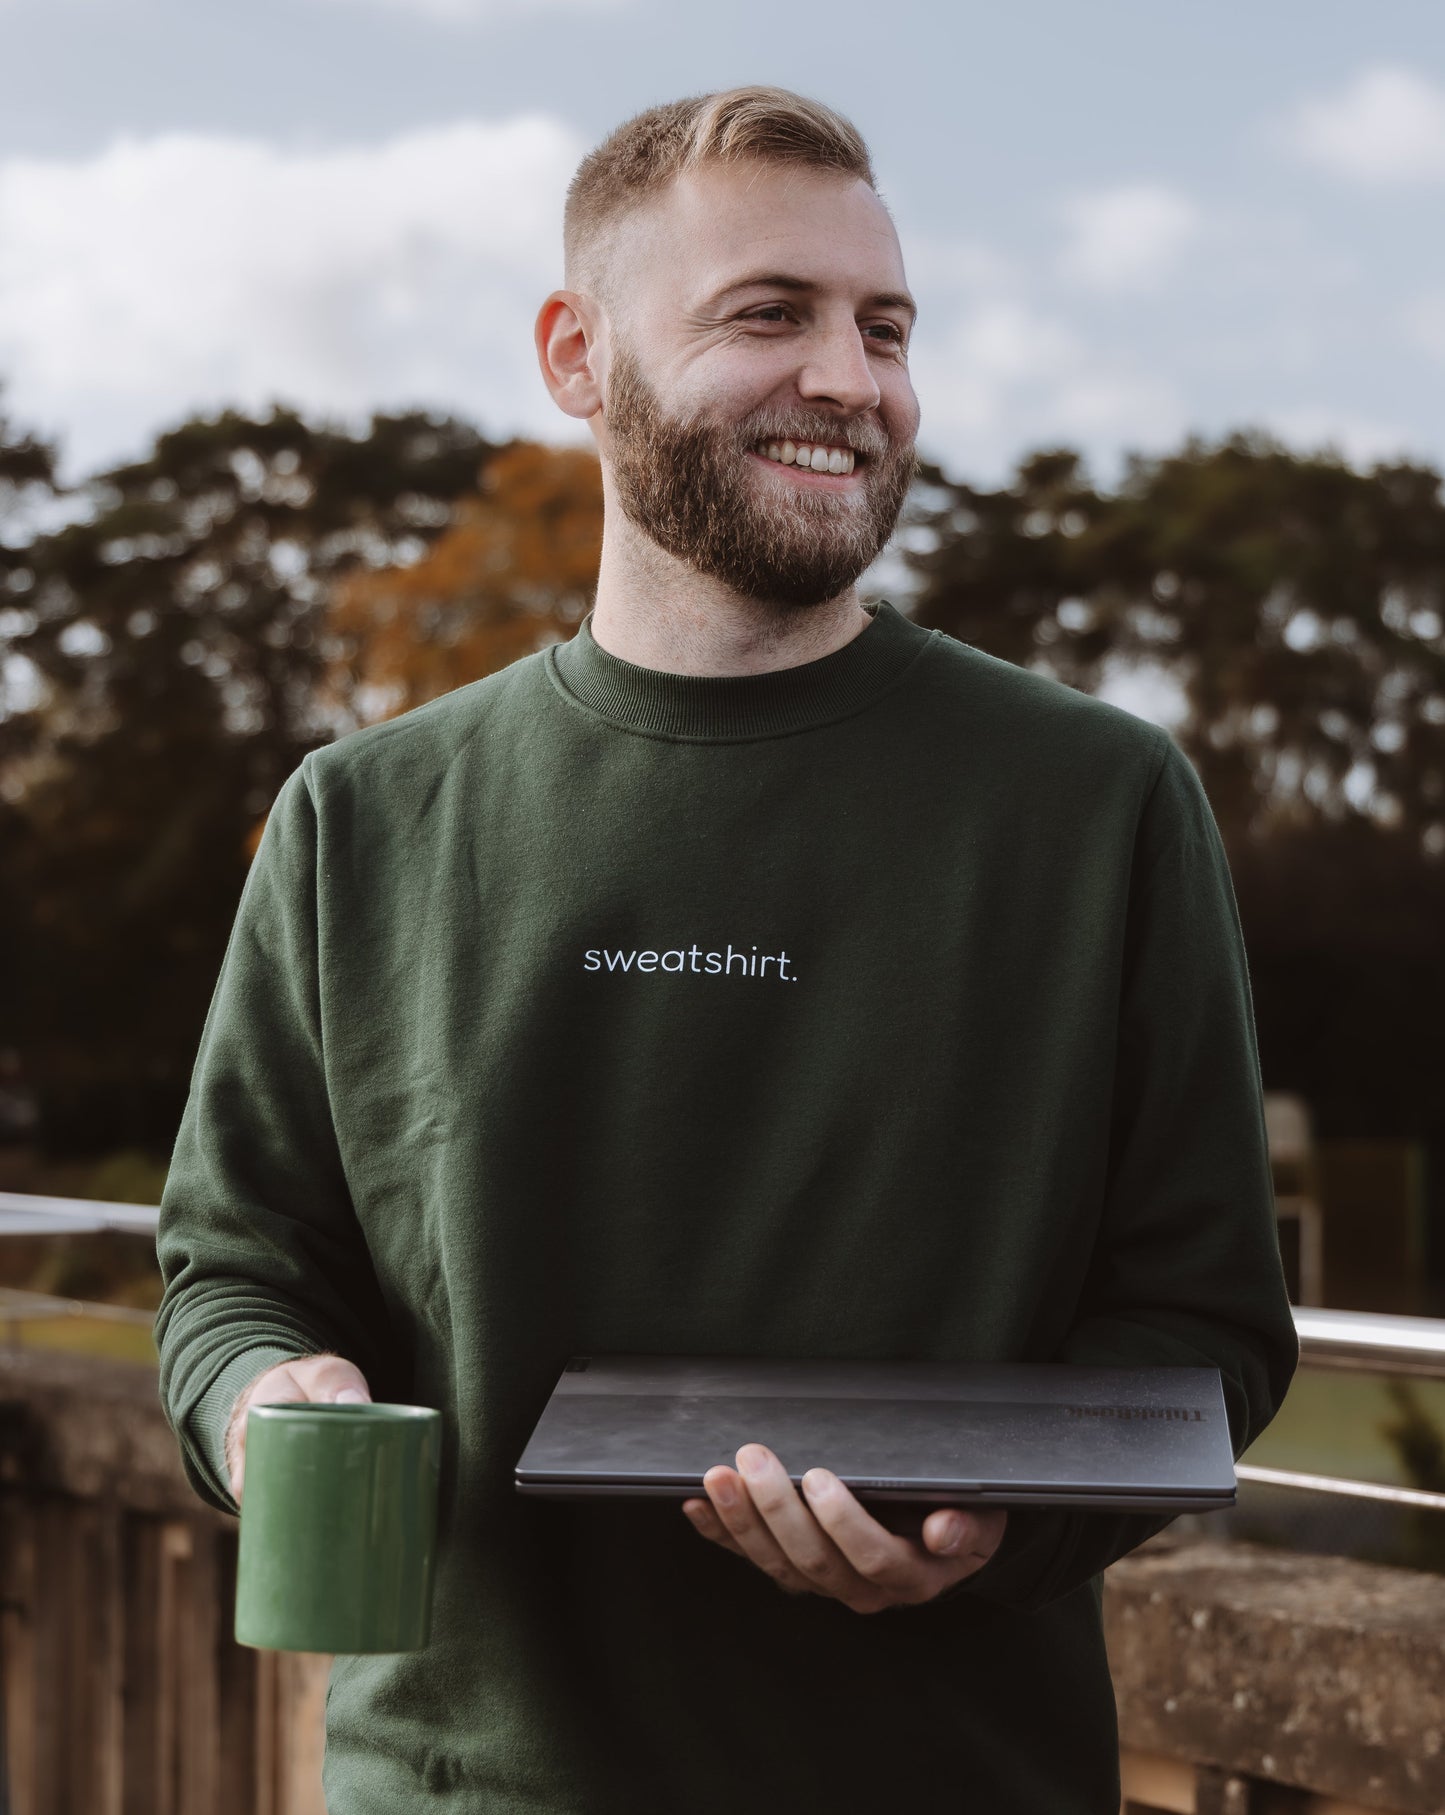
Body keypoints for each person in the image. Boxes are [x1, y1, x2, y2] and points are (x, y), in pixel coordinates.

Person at [155, 86, 1299, 1813]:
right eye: (769, 314)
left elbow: (1204, 1318)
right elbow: (234, 1269)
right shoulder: (359, 819)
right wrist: (268, 1397)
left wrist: (996, 1528)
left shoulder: (1097, 801)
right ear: (577, 355)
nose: (851, 378)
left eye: (885, 327)